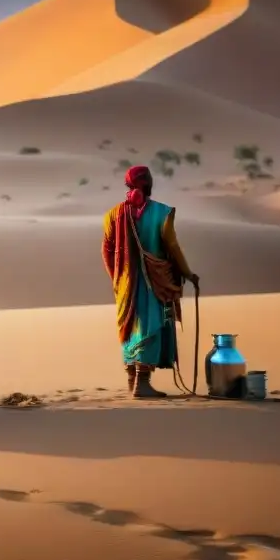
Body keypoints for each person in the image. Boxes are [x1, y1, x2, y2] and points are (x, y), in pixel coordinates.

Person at [101, 165, 199, 398]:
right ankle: (142, 383)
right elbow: (172, 246)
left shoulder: (113, 214)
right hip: (155, 282)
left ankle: (132, 379)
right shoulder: (161, 213)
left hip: (126, 284)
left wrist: (117, 277)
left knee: (130, 327)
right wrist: (187, 273)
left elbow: (106, 248)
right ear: (148, 183)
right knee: (149, 325)